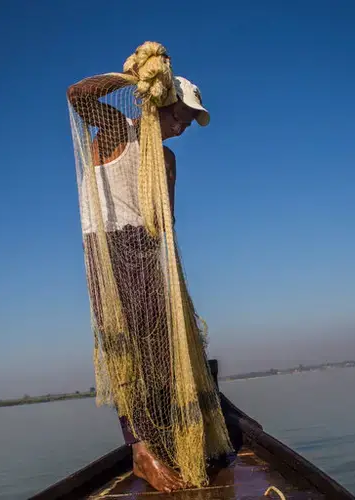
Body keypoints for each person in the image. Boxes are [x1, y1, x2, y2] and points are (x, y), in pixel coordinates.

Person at [66, 60, 220, 493]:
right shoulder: (117, 128)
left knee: (161, 350)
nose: (186, 126)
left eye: (190, 121)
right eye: (183, 116)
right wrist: (136, 81)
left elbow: (166, 221)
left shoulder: (167, 160)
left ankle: (167, 437)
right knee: (127, 351)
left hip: (148, 252)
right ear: (164, 104)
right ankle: (140, 450)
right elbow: (77, 95)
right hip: (110, 249)